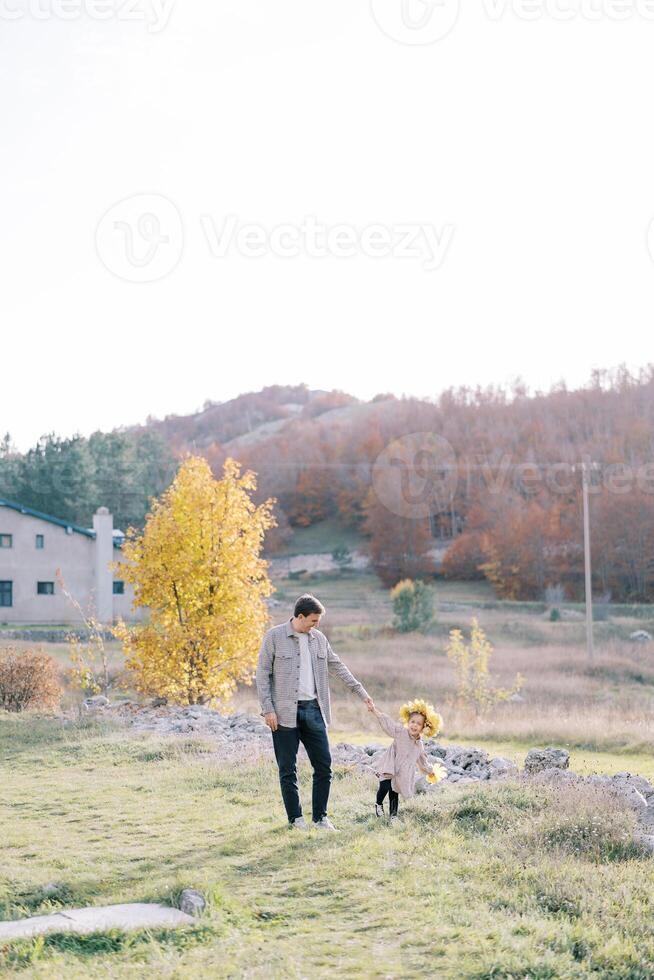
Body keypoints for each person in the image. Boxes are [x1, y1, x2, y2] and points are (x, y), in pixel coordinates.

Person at [256, 593, 373, 832]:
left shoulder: (319, 639)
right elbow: (262, 674)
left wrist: (361, 692)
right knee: (287, 768)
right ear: (300, 617)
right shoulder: (274, 637)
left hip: (314, 710)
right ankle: (296, 819)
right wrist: (268, 709)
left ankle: (320, 818)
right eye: (313, 621)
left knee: (324, 766)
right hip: (284, 712)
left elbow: (337, 666)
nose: (316, 625)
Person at [368, 698, 446, 822]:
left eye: (418, 724)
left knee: (394, 792)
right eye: (412, 722)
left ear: (423, 728)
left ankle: (393, 816)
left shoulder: (419, 745)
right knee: (385, 786)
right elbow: (389, 724)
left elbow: (423, 760)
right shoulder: (400, 732)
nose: (414, 725)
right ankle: (378, 804)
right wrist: (375, 711)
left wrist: (430, 771)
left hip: (402, 772)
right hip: (390, 765)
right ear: (408, 722)